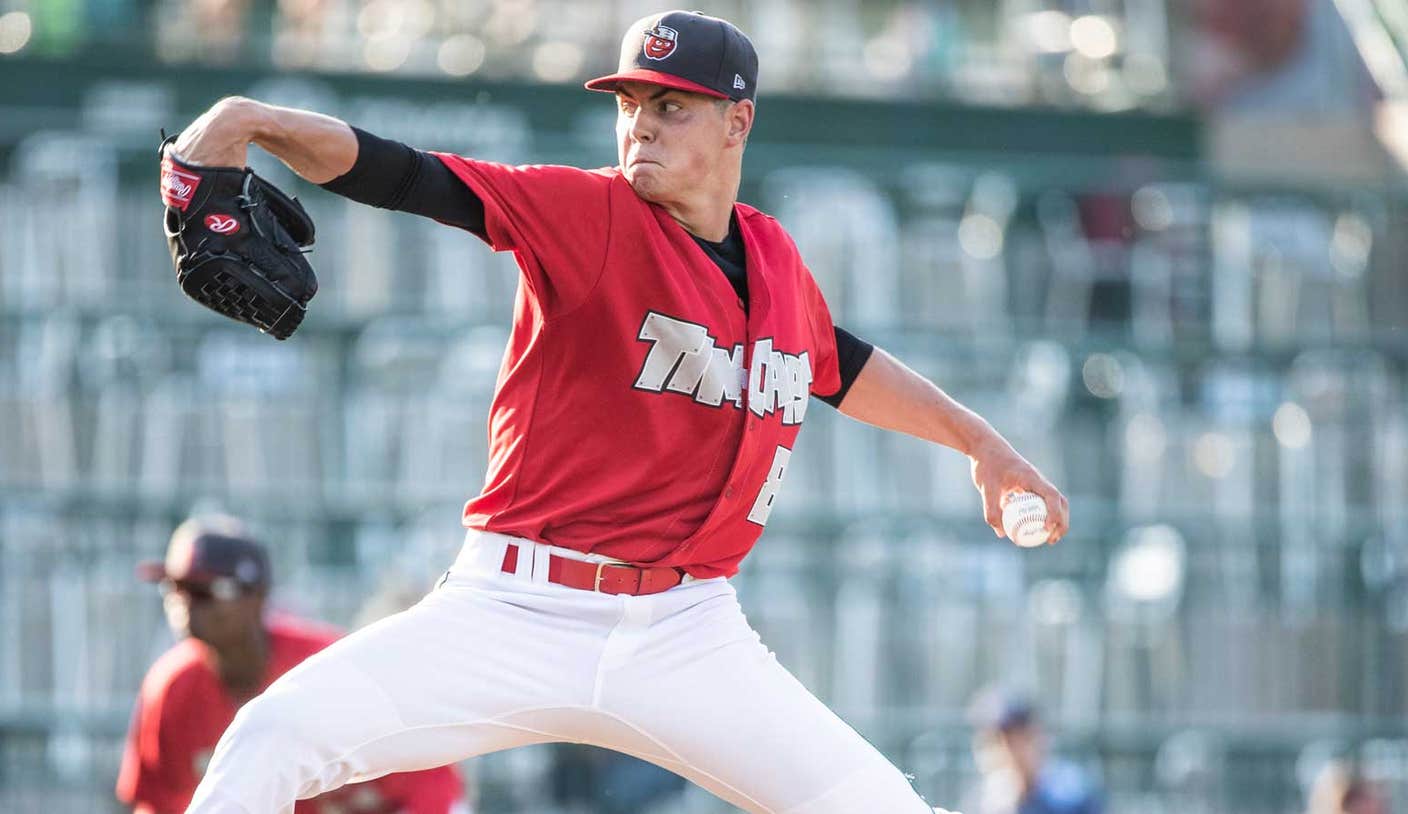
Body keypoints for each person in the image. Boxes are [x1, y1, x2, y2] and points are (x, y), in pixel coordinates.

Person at [170, 10, 1069, 813]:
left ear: (737, 121)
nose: (642, 121)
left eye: (672, 105)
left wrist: (980, 443)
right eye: (631, 101)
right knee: (270, 739)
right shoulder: (588, 212)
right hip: (513, 609)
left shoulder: (775, 257)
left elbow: (839, 363)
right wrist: (252, 120)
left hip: (688, 633)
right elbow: (407, 175)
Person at [116, 516, 469, 814]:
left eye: (206, 590)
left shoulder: (327, 669)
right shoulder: (172, 688)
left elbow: (432, 784)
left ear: (257, 596)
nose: (187, 605)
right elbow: (158, 802)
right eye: (175, 589)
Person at [963, 691, 1101, 814]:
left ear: (1035, 737)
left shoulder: (1072, 794)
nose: (1005, 752)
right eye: (992, 742)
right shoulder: (984, 799)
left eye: (1012, 741)